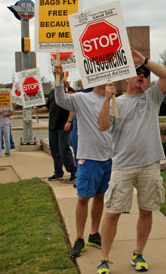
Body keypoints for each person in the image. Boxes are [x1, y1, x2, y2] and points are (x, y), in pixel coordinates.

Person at [95, 48, 166, 274]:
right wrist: (107, 100)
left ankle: (138, 254)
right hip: (123, 165)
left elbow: (165, 75)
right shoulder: (117, 102)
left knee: (147, 210)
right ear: (127, 77)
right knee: (112, 212)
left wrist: (144, 61)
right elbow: (102, 125)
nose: (142, 76)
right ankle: (105, 259)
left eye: (145, 74)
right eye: (138, 72)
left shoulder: (153, 97)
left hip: (150, 163)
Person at [52, 65, 114, 258]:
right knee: (83, 198)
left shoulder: (114, 102)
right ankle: (79, 238)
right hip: (89, 158)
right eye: (104, 78)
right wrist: (59, 79)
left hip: (108, 158)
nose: (108, 81)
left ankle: (94, 233)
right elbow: (61, 99)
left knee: (100, 196)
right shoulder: (82, 99)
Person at [33, 80, 77, 182]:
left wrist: (69, 121)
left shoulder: (69, 91)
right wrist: (38, 111)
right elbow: (48, 107)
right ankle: (58, 172)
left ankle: (73, 172)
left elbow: (73, 108)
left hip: (64, 125)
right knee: (55, 150)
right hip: (53, 125)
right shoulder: (53, 92)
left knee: (64, 149)